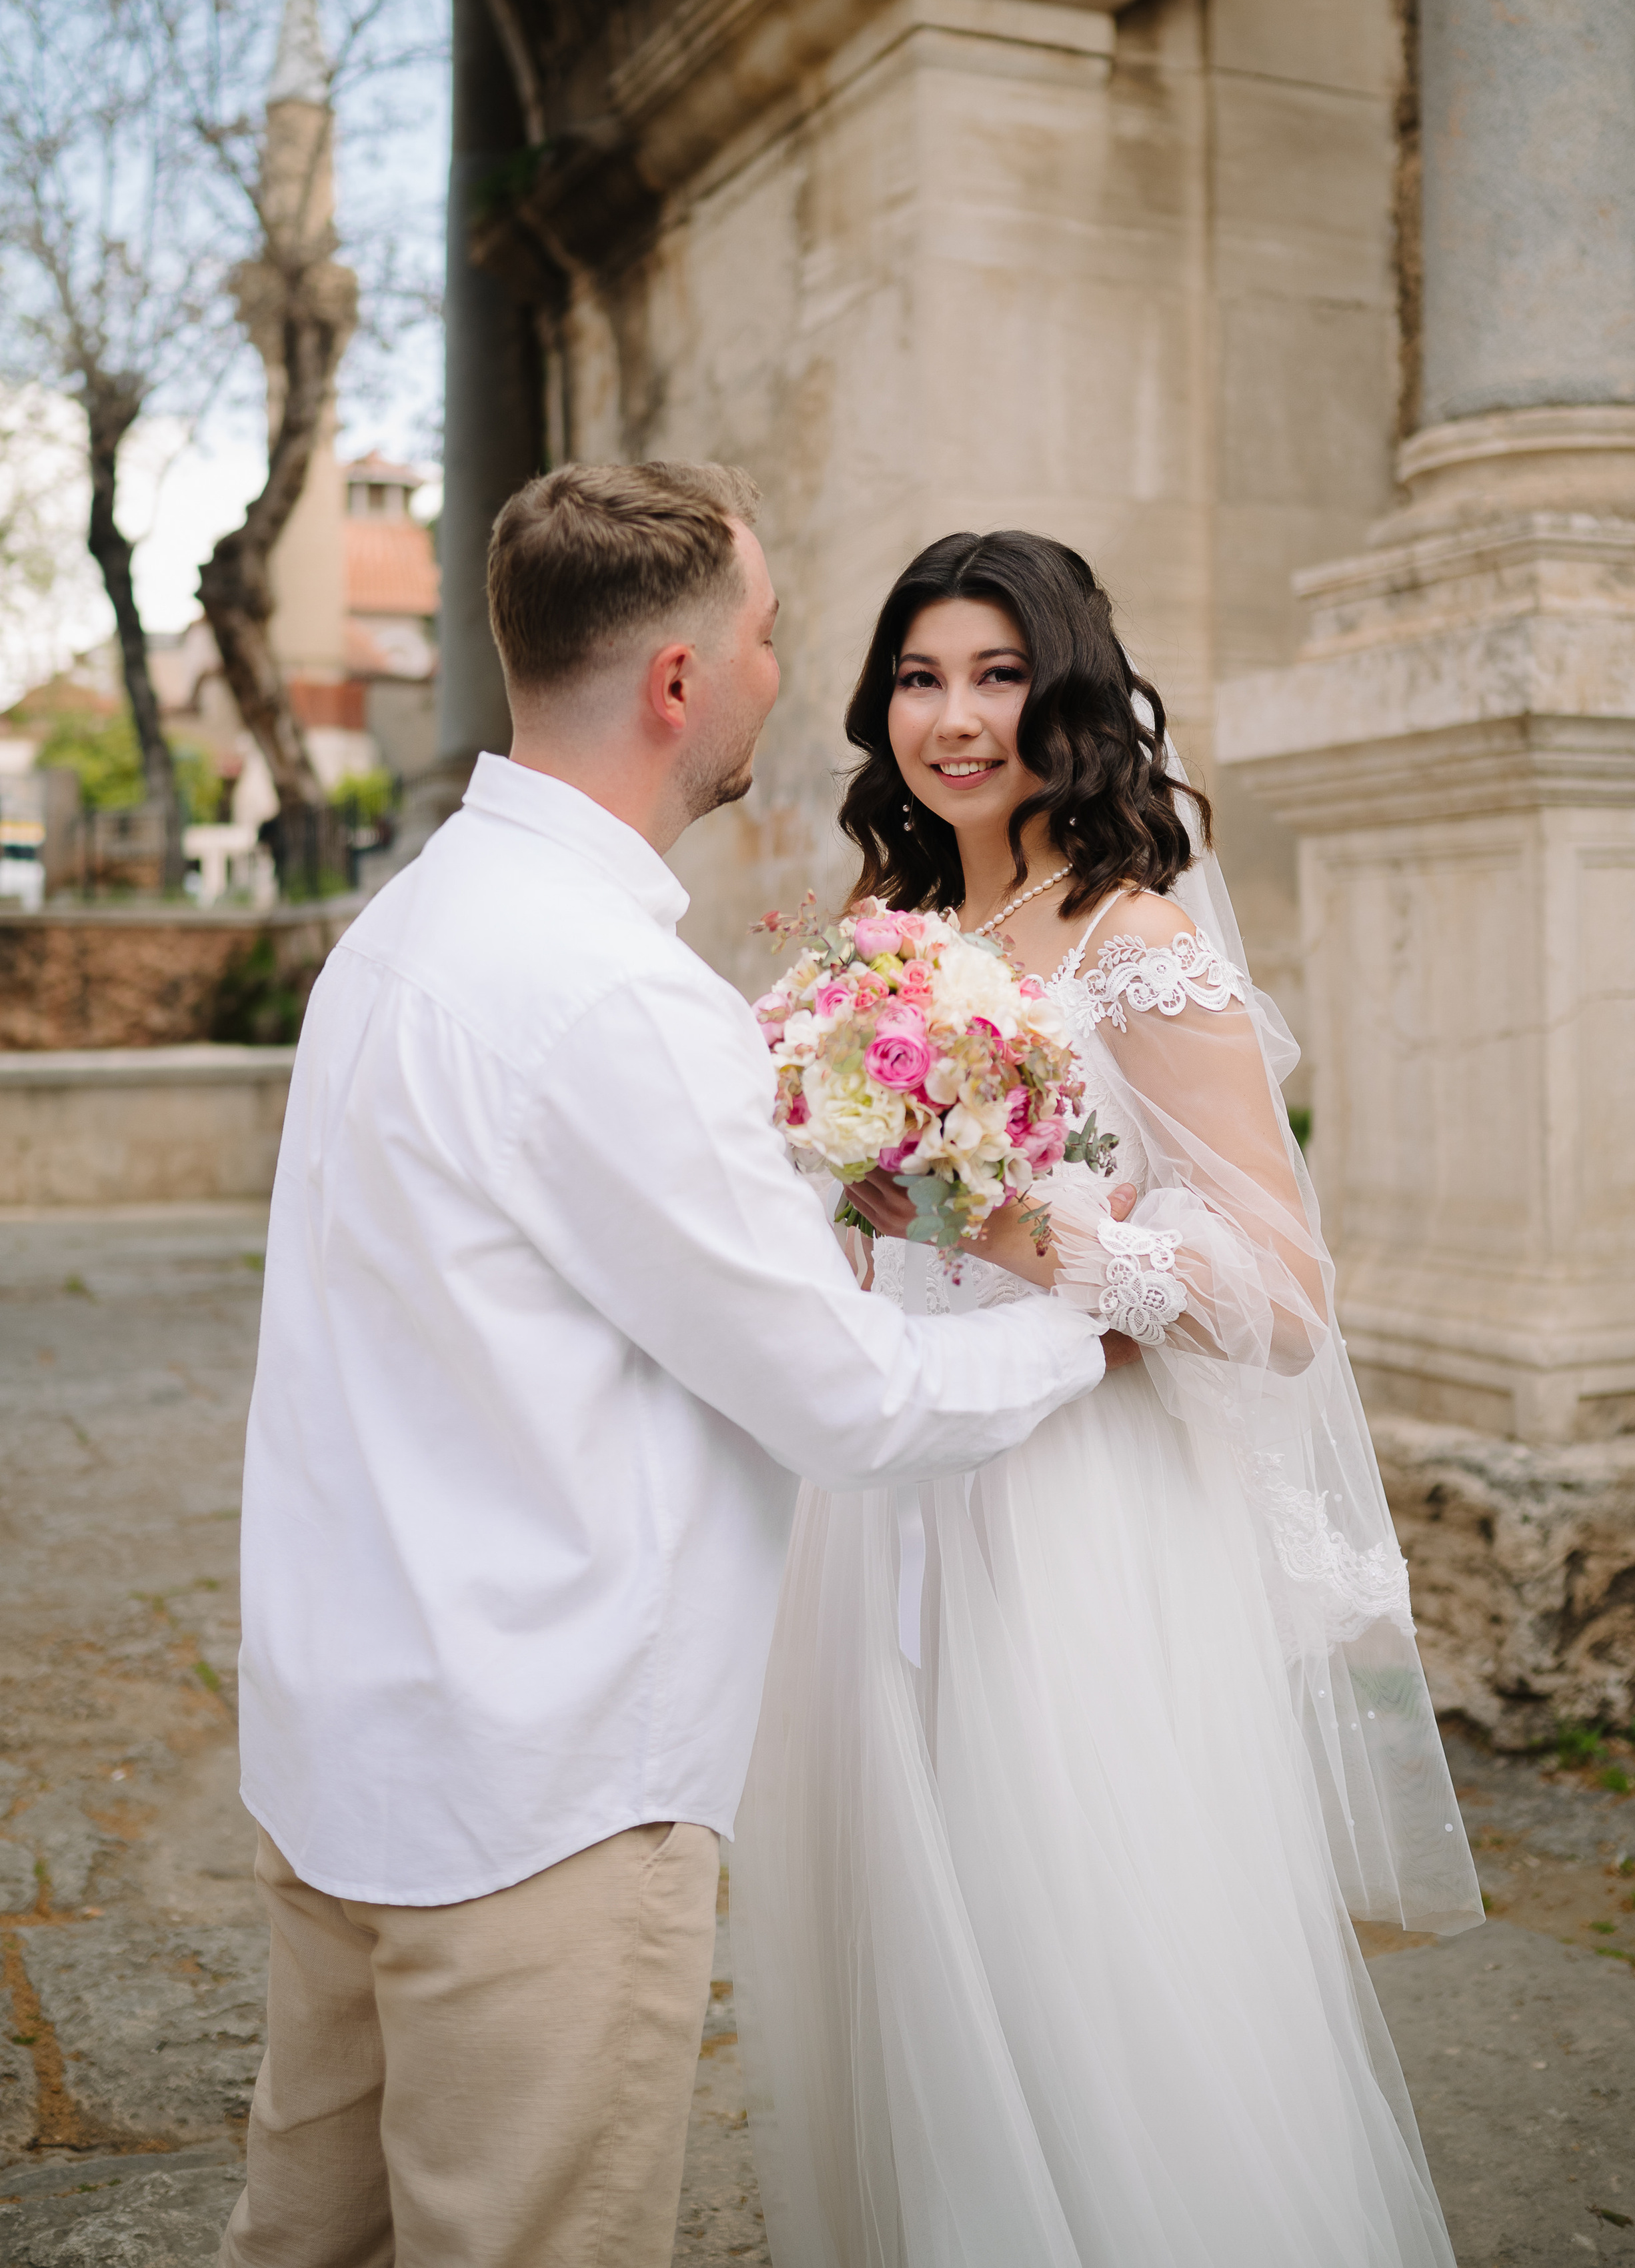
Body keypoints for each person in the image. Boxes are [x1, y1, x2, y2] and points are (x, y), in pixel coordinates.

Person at [219, 467, 1138, 2268]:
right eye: (772, 635)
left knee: (304, 2241)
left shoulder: (396, 932)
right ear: (672, 684)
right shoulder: (615, 998)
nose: (787, 672)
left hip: (341, 1758)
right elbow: (848, 1397)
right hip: (537, 1803)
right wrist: (1084, 1325)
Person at [732, 529, 1484, 2268]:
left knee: (1069, 1941)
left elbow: (1287, 1294)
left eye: (996, 673)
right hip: (885, 1496)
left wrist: (1037, 1234)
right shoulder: (884, 933)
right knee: (903, 1955)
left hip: (1075, 1514)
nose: (953, 714)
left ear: (1067, 693)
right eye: (920, 676)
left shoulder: (1136, 939)